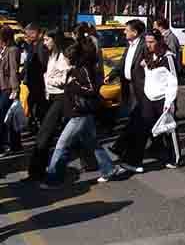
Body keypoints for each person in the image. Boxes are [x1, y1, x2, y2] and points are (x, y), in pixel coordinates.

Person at [42, 38, 121, 188]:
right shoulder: (74, 69)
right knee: (91, 142)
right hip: (78, 112)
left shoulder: (83, 69)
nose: (63, 59)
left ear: (72, 57)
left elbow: (91, 90)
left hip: (80, 113)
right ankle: (109, 168)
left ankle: (53, 179)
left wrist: (72, 84)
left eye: (65, 57)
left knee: (62, 145)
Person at [121, 29, 180, 172]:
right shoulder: (147, 55)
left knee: (168, 130)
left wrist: (169, 102)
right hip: (148, 98)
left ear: (159, 41)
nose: (148, 45)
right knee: (142, 129)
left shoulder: (168, 58)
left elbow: (173, 81)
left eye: (151, 42)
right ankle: (135, 162)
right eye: (146, 42)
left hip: (163, 99)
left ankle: (175, 158)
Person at [26, 29, 71, 180]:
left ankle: (36, 172)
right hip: (50, 98)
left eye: (46, 40)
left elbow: (67, 79)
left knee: (44, 134)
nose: (44, 43)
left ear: (55, 40)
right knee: (48, 134)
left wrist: (49, 80)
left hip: (60, 99)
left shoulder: (63, 57)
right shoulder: (51, 55)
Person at [106, 20, 147, 159]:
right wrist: (111, 76)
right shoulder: (130, 45)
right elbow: (122, 63)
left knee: (135, 118)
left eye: (126, 30)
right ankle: (156, 145)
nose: (124, 32)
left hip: (140, 87)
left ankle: (122, 147)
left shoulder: (144, 45)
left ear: (135, 32)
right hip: (128, 86)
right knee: (136, 118)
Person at [23, 23, 49, 132]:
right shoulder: (33, 45)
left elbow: (42, 64)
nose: (26, 37)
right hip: (33, 82)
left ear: (34, 33)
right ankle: (35, 124)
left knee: (37, 104)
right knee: (33, 103)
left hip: (38, 82)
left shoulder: (40, 46)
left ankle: (40, 125)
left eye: (27, 34)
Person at [0, 26, 21, 156]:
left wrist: (15, 89)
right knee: (10, 115)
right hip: (2, 86)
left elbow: (14, 71)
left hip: (8, 87)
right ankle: (15, 143)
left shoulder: (13, 50)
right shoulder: (4, 50)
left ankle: (4, 145)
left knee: (4, 115)